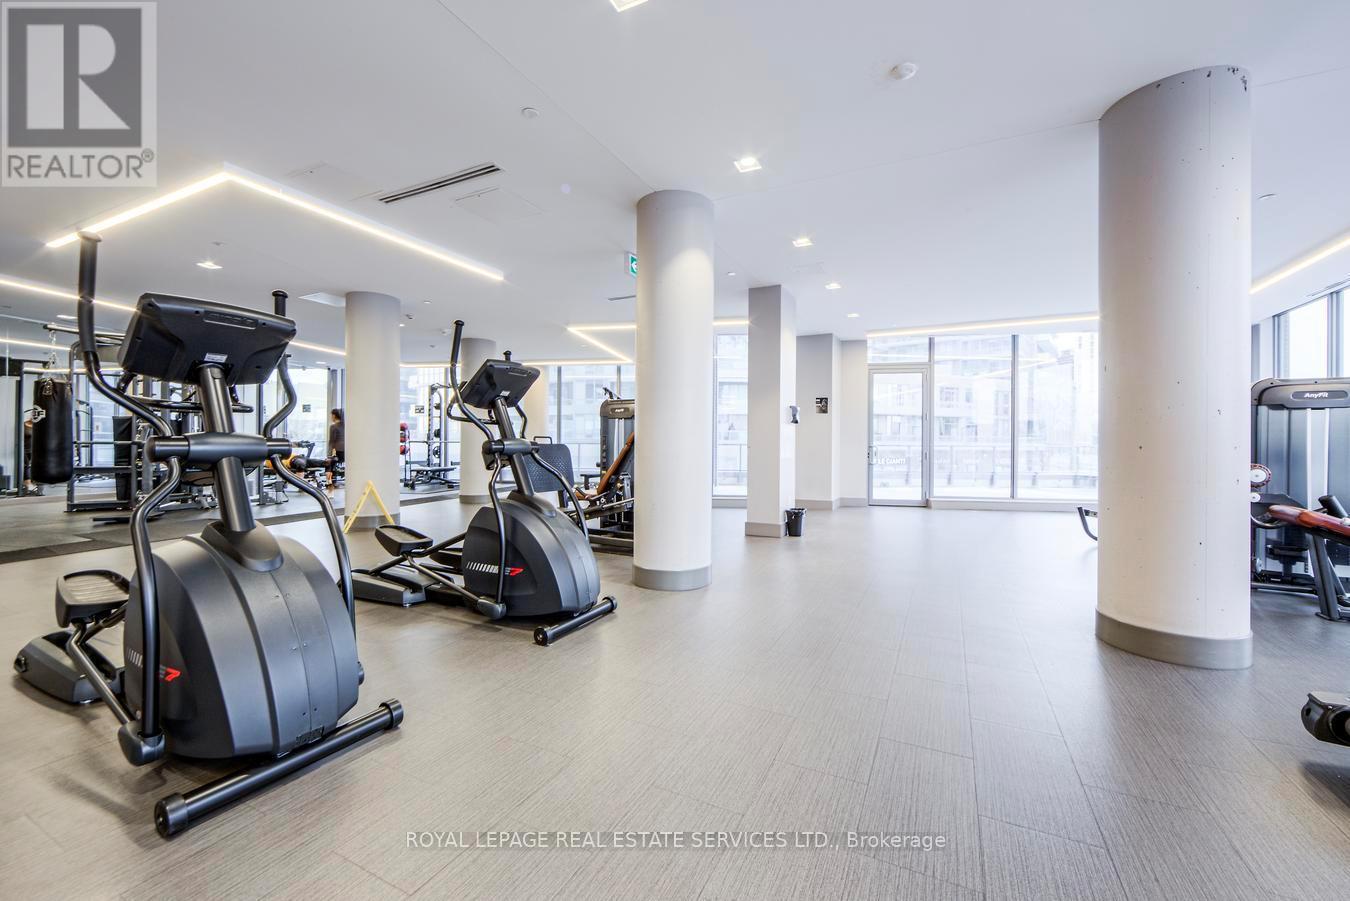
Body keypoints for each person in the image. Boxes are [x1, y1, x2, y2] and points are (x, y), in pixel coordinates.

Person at [326, 408, 345, 489]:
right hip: (345, 451)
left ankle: (331, 483)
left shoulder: (333, 427)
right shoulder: (345, 425)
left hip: (338, 450)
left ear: (334, 416)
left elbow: (332, 441)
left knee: (329, 463)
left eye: (331, 415)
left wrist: (329, 454)